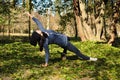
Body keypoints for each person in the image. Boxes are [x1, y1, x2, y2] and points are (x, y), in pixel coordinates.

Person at [26, 12, 97, 67]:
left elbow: (38, 22)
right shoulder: (45, 43)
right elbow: (47, 53)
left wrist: (30, 15)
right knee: (77, 52)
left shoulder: (42, 30)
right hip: (65, 42)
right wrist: (46, 63)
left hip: (63, 36)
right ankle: (89, 58)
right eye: (37, 31)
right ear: (39, 35)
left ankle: (64, 53)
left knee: (68, 39)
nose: (37, 30)